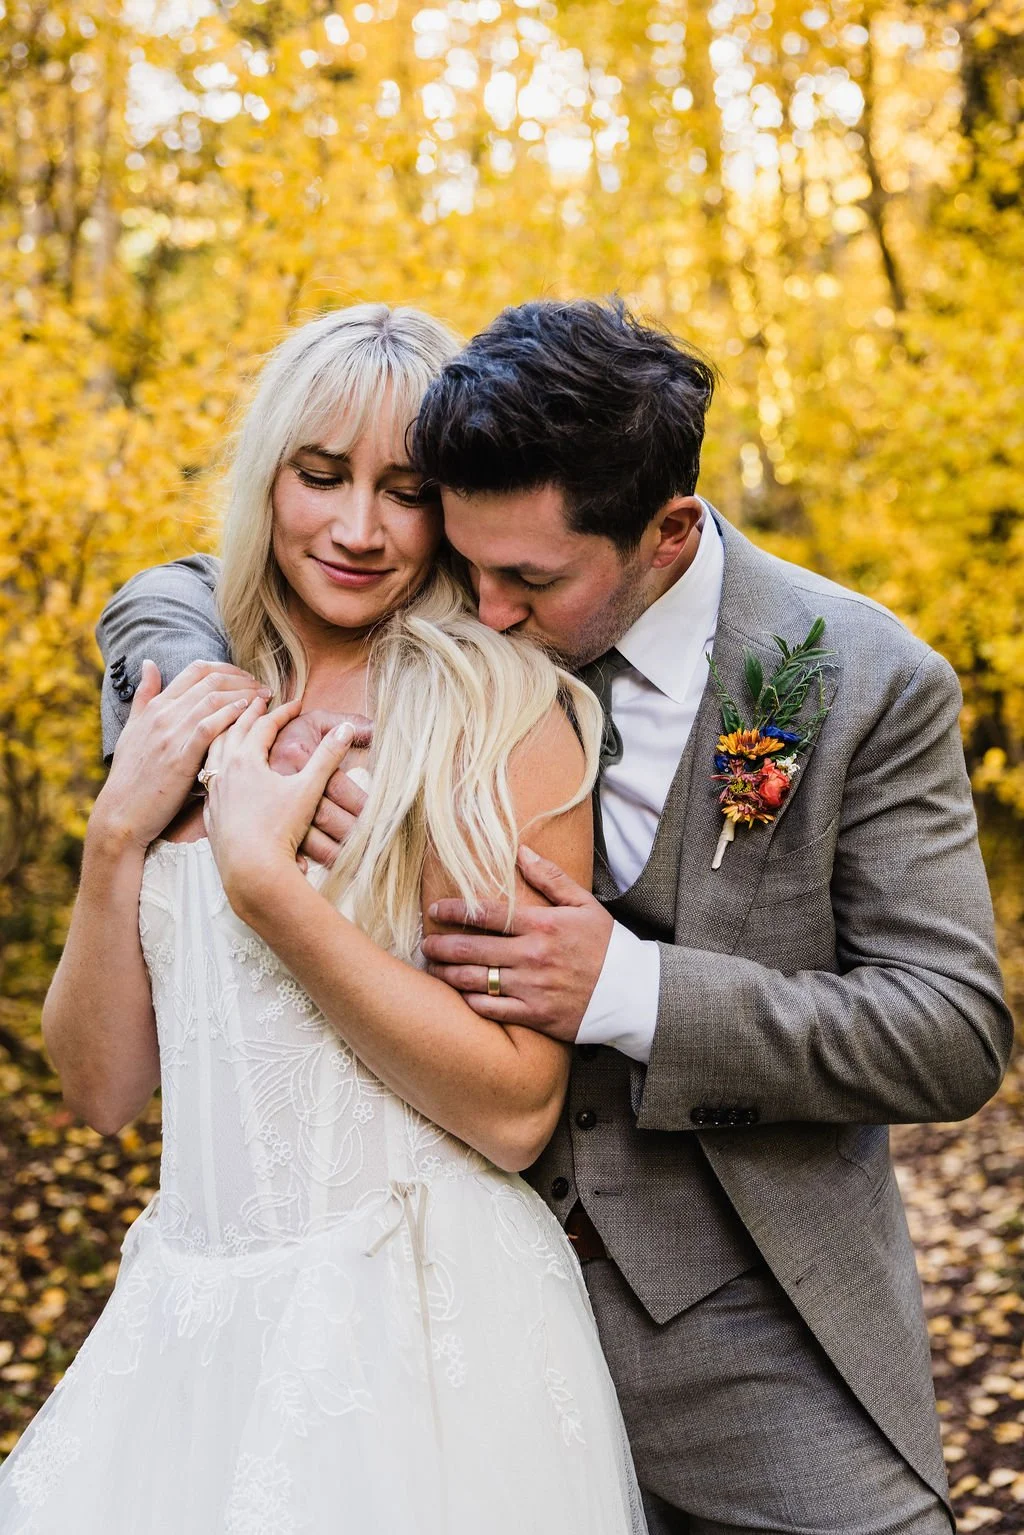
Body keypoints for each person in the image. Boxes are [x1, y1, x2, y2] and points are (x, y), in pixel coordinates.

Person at [92, 297, 1014, 1534]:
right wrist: (219, 737)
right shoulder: (460, 593)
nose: (480, 607)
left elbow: (950, 1030)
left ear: (666, 536)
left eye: (525, 579)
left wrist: (628, 989)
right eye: (461, 562)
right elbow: (205, 579)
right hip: (428, 1313)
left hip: (739, 1319)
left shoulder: (853, 677)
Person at [0, 305, 649, 1535]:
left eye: (405, 491)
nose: (358, 528)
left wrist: (274, 895)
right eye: (319, 475)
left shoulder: (502, 717)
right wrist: (114, 837)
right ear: (266, 479)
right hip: (187, 1322)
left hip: (416, 1324)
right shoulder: (183, 696)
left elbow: (517, 1112)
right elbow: (100, 1089)